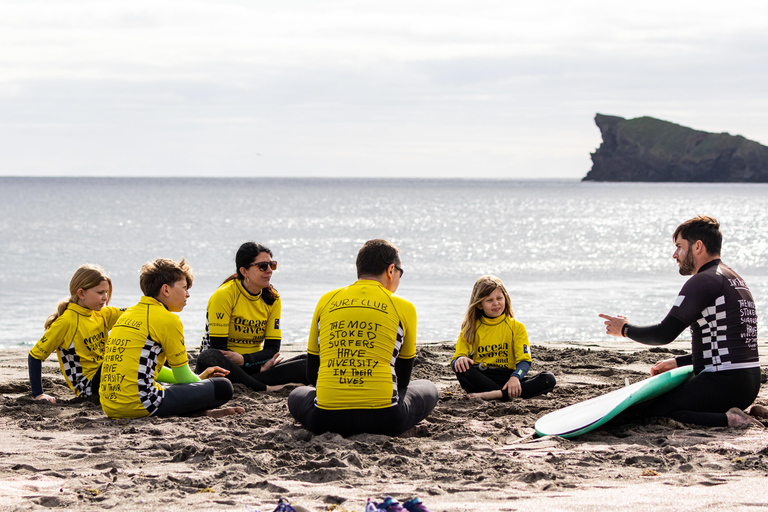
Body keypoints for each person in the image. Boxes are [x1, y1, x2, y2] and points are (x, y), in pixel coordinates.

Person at [599, 216, 762, 428]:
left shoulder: (703, 281)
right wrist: (679, 362)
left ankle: (732, 420)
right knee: (666, 403)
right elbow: (727, 346)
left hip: (724, 382)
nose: (675, 255)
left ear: (698, 246)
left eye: (679, 247)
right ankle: (742, 412)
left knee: (654, 411)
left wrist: (625, 330)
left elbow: (664, 334)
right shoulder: (734, 278)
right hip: (747, 383)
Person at [288, 239, 439, 437]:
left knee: (296, 395)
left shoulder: (326, 300)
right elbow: (403, 379)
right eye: (400, 273)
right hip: (386, 420)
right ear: (391, 270)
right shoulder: (404, 307)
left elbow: (311, 374)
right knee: (428, 388)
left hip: (325, 419)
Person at [100, 258, 243, 419]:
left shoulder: (128, 314)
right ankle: (197, 411)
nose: (188, 294)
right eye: (184, 288)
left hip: (110, 406)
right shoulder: (168, 320)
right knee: (223, 387)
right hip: (142, 404)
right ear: (166, 290)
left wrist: (199, 378)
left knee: (169, 386)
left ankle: (198, 413)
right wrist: (199, 380)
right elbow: (183, 377)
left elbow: (145, 368)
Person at [195, 242, 309, 392]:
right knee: (209, 356)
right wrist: (254, 366)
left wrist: (248, 362)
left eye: (272, 265)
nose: (269, 270)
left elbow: (272, 349)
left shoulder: (272, 298)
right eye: (263, 266)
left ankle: (254, 381)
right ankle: (265, 387)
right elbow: (219, 349)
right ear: (244, 271)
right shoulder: (224, 295)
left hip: (254, 366)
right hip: (223, 368)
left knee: (310, 361)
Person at [451, 275, 556, 401]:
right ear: (479, 305)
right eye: (489, 300)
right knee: (462, 368)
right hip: (482, 378)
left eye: (499, 298)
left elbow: (524, 361)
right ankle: (505, 394)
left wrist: (516, 377)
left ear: (506, 299)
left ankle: (496, 394)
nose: (496, 303)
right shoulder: (470, 328)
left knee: (548, 379)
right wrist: (460, 359)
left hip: (509, 378)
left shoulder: (516, 327)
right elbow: (456, 359)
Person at [28, 264, 122, 402]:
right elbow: (34, 356)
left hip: (107, 376)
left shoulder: (101, 313)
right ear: (81, 293)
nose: (105, 297)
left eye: (106, 292)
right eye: (100, 292)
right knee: (122, 354)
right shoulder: (66, 322)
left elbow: (133, 314)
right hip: (88, 387)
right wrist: (38, 394)